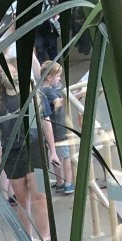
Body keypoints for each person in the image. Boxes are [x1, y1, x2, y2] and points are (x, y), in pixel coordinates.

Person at [0, 52, 56, 241]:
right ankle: (29, 240)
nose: (11, 75)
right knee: (23, 200)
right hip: (12, 153)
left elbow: (46, 122)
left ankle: (45, 240)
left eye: (14, 71)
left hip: (36, 150)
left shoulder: (34, 95)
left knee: (40, 197)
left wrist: (53, 150)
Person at [41, 62, 75, 194]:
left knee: (55, 155)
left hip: (53, 132)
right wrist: (77, 95)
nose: (59, 79)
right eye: (58, 76)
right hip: (59, 131)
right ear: (49, 77)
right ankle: (68, 183)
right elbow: (58, 103)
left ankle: (60, 182)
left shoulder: (42, 90)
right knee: (66, 156)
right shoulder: (48, 91)